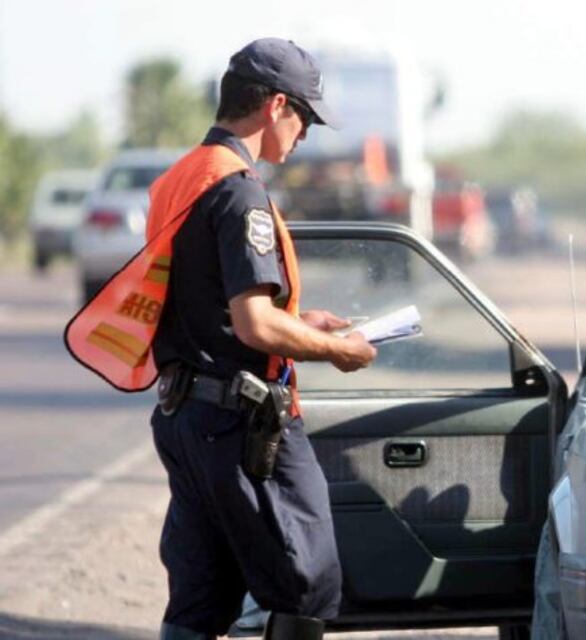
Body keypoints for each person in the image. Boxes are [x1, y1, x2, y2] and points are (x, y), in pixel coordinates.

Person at [66, 38, 377, 640]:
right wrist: (340, 349)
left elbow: (204, 304)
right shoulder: (239, 191)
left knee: (201, 596)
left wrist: (301, 324)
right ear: (276, 105)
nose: (305, 136)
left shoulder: (181, 177)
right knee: (306, 582)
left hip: (185, 416)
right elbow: (255, 324)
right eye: (305, 118)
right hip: (241, 423)